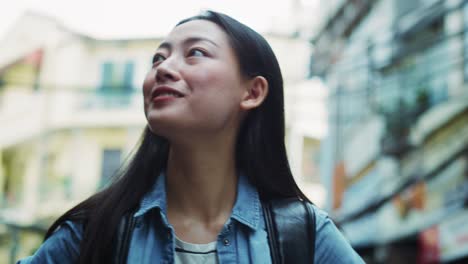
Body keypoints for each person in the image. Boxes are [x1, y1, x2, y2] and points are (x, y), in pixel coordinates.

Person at [18, 10, 364, 264]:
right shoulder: (95, 232)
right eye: (158, 58)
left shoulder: (303, 235)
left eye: (196, 53)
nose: (163, 68)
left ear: (252, 92)